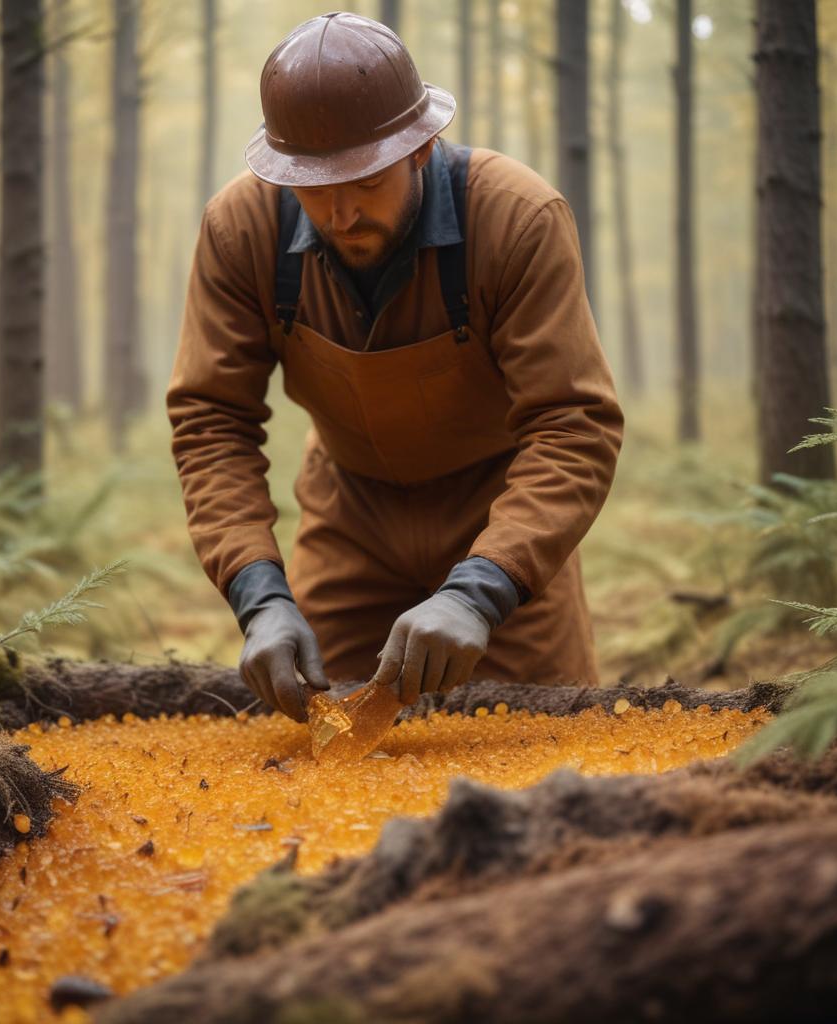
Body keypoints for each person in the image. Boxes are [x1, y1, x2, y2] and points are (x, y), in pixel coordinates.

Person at [167, 12, 624, 722]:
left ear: (421, 148)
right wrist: (259, 598)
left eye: (366, 181)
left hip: (502, 516)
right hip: (349, 518)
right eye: (313, 188)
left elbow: (574, 423)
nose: (341, 213)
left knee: (540, 755)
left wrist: (484, 588)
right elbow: (211, 420)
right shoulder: (240, 230)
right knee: (318, 753)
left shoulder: (517, 220)